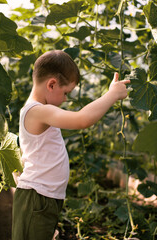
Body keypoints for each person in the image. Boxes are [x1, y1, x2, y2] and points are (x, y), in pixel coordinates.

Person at [12, 50, 130, 240]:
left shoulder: (40, 111)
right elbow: (81, 120)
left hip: (44, 198)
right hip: (36, 198)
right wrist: (112, 95)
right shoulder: (37, 111)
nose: (66, 99)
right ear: (51, 84)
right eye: (66, 92)